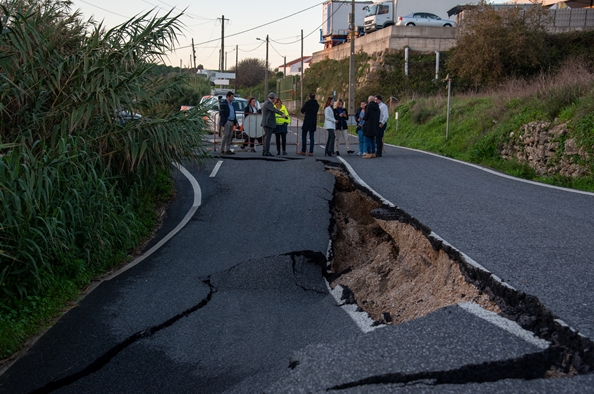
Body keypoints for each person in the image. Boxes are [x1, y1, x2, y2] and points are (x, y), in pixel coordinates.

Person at [261, 92, 287, 157]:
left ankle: (264, 151)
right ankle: (266, 151)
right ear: (272, 98)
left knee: (266, 137)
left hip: (267, 122)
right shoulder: (268, 103)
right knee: (267, 138)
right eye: (274, 98)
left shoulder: (267, 102)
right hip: (268, 123)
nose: (275, 99)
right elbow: (274, 110)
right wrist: (282, 113)